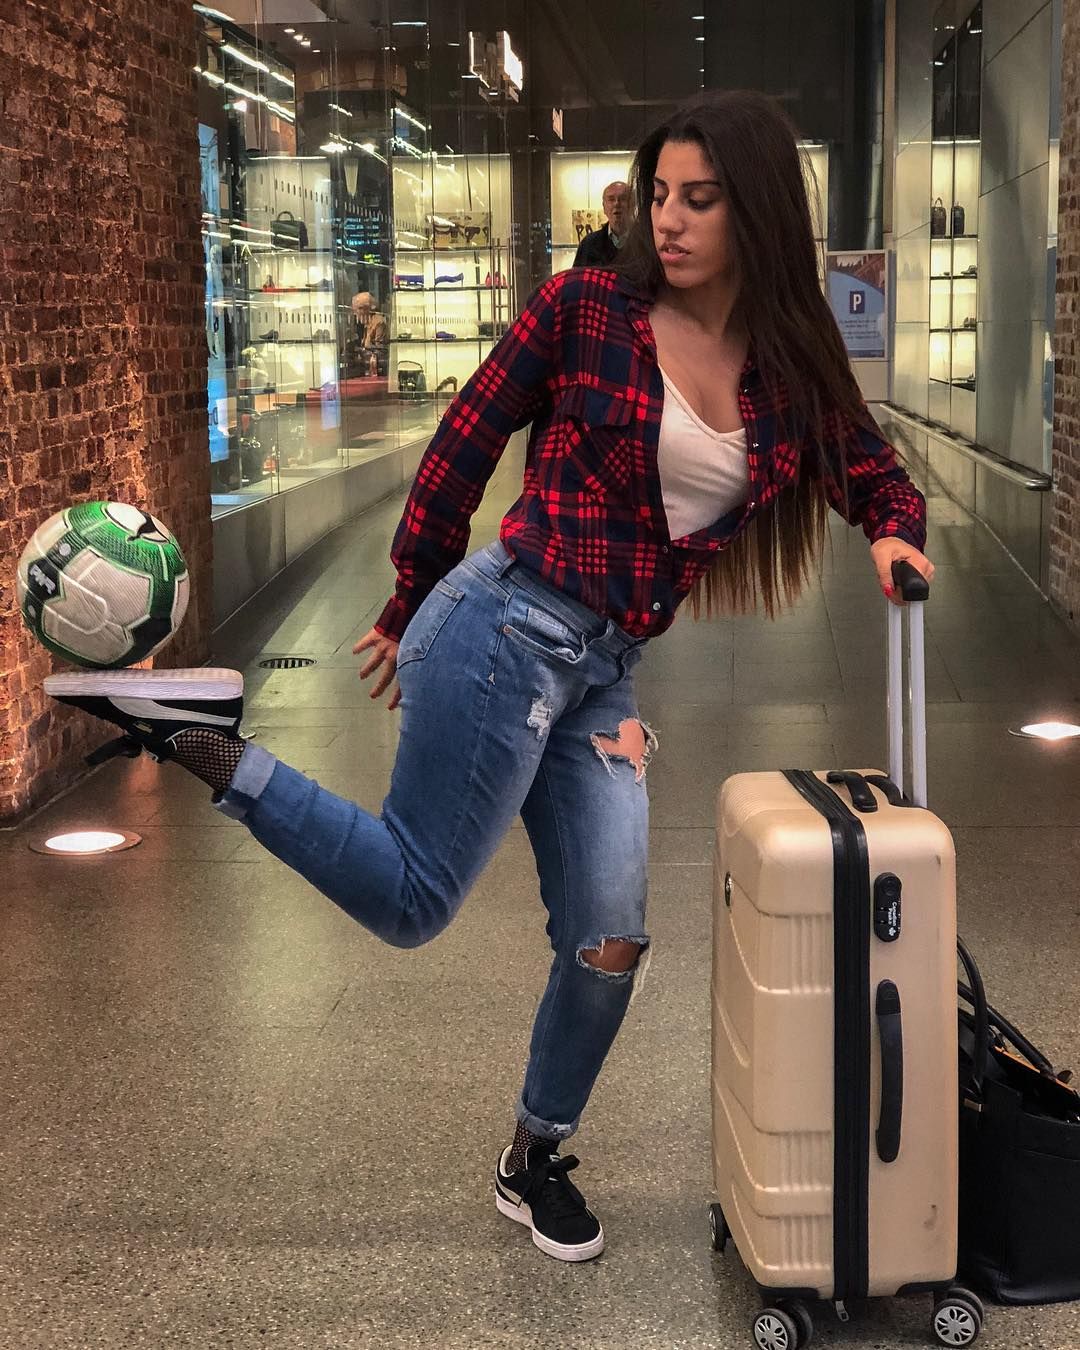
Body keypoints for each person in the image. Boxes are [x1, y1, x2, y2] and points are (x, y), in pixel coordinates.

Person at [47, 90, 934, 1266]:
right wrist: (411, 592)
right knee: (415, 900)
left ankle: (532, 1156)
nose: (666, 221)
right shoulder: (587, 309)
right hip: (504, 628)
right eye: (659, 194)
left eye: (698, 201)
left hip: (604, 675)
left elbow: (871, 468)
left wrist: (892, 529)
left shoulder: (787, 362)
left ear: (758, 211)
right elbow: (464, 440)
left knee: (611, 936)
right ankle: (205, 740)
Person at [572, 180, 630, 267]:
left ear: (633, 204)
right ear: (604, 207)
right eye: (611, 199)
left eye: (623, 199)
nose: (617, 203)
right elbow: (578, 278)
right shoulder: (588, 244)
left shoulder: (645, 243)